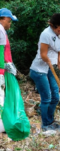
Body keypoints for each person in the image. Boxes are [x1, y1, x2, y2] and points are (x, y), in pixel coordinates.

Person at [30, 13, 60, 132]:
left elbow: (59, 55)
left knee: (56, 97)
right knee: (46, 98)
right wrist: (51, 64)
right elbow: (43, 55)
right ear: (52, 25)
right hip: (39, 70)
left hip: (49, 69)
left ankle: (50, 120)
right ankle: (45, 123)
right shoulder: (46, 34)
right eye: (58, 28)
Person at [0, 8, 30, 140]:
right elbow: (0, 53)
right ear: (1, 19)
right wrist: (1, 72)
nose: (9, 23)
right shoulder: (0, 30)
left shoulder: (2, 31)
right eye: (8, 20)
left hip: (3, 70)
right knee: (1, 99)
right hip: (1, 72)